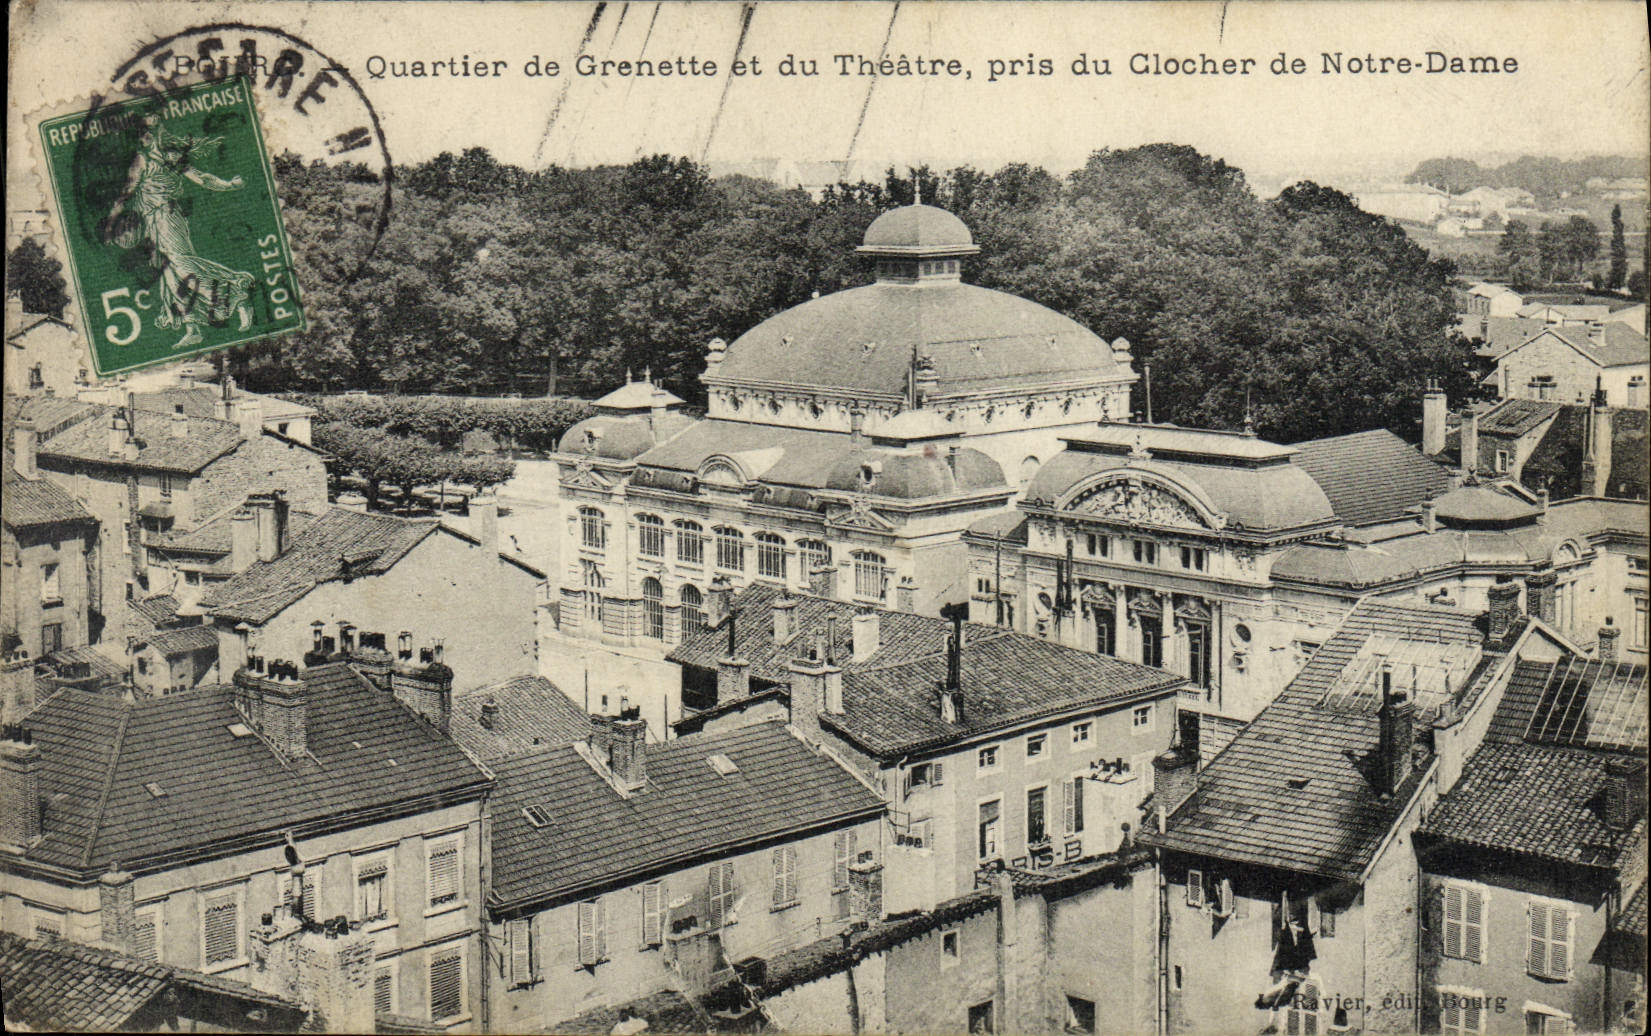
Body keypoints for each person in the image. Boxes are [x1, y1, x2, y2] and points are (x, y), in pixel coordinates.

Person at [106, 119, 255, 350]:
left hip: (168, 218)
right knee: (170, 276)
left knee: (184, 267)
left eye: (147, 133)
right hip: (152, 224)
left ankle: (236, 293)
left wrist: (229, 185)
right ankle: (192, 327)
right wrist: (113, 222)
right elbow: (127, 192)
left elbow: (203, 178)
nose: (144, 138)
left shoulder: (168, 159)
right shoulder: (142, 160)